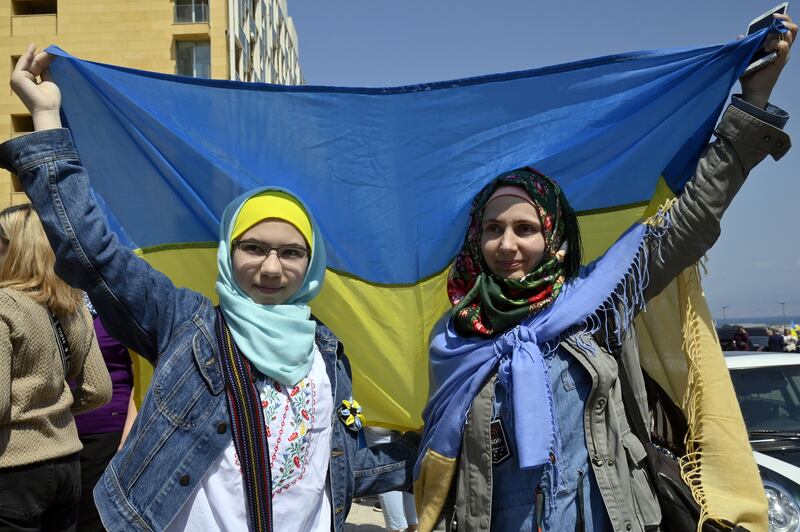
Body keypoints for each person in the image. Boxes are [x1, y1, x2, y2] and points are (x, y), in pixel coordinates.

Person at [2, 46, 419, 532]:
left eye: (290, 252)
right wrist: (47, 116)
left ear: (311, 265)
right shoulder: (183, 322)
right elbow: (92, 252)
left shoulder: (326, 353)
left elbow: (339, 462)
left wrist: (441, 450)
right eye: (253, 247)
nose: (270, 266)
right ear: (227, 252)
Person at [418, 15, 796, 532]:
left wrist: (751, 100)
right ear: (475, 240)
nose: (507, 244)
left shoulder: (597, 302)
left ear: (555, 239)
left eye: (525, 228)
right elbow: (442, 460)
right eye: (492, 229)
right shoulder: (455, 335)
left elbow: (692, 220)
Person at [0, 204, 112, 531]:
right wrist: (55, 410)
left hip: (13, 467)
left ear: (16, 249)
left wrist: (28, 413)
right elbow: (100, 389)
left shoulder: (5, 305)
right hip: (66, 463)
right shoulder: (74, 305)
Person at [74, 297, 137, 532]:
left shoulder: (117, 307)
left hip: (108, 430)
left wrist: (129, 433)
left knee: (95, 520)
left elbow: (140, 376)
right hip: (59, 433)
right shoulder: (56, 304)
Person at [364, 427, 419, 532]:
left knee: (385, 475)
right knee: (408, 469)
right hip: (407, 418)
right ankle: (412, 526)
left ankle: (397, 528)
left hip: (377, 419)